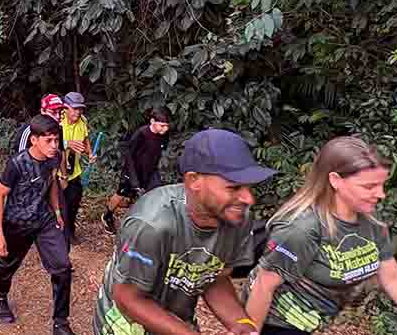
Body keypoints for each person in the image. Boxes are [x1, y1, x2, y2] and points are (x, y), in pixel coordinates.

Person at [243, 136, 397, 335]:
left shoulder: (370, 223)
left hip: (309, 322)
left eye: (381, 185)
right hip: (275, 321)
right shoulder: (302, 228)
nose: (381, 194)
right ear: (335, 180)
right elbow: (263, 286)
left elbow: (394, 279)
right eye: (369, 186)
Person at [94, 128, 277, 335]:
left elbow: (214, 278)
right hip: (124, 324)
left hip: (175, 320)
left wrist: (241, 323)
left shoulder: (236, 219)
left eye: (248, 187)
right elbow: (127, 298)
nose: (248, 199)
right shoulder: (151, 225)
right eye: (233, 188)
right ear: (193, 181)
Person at [0, 114, 75, 335]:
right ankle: (0, 296)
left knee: (63, 267)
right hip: (17, 222)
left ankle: (60, 322)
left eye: (56, 140)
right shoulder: (17, 164)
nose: (54, 145)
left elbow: (53, 184)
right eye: (48, 140)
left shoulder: (54, 158)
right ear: (34, 140)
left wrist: (57, 211)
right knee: (7, 264)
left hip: (44, 219)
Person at [101, 106, 172, 235]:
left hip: (150, 172)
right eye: (162, 125)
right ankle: (107, 215)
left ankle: (146, 227)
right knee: (121, 194)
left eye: (166, 126)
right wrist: (133, 179)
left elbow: (159, 151)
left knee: (155, 196)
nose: (165, 129)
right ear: (152, 121)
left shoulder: (164, 135)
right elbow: (129, 155)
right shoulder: (141, 134)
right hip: (132, 170)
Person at [59, 92, 92, 245]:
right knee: (58, 205)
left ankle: (70, 231)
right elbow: (48, 142)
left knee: (73, 204)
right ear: (65, 108)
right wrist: (67, 143)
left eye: (80, 109)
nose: (78, 112)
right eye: (75, 108)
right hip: (57, 173)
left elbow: (85, 140)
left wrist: (90, 153)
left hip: (75, 171)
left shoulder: (82, 121)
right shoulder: (57, 121)